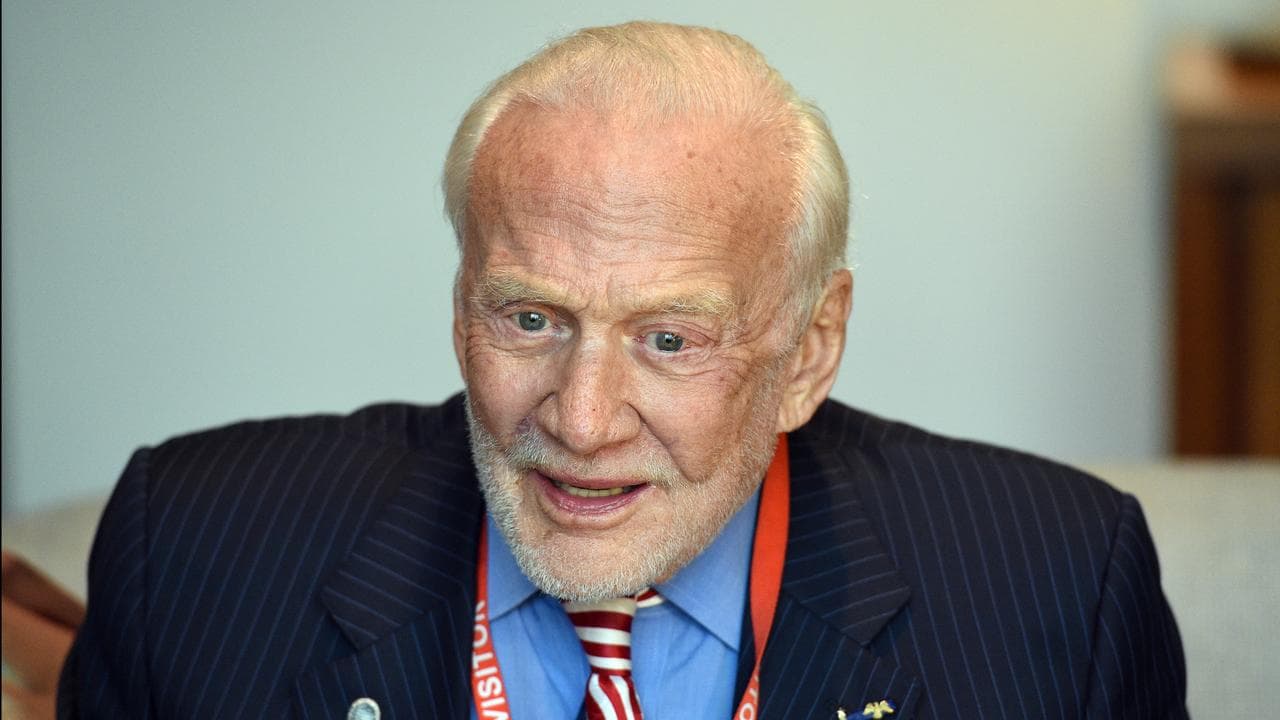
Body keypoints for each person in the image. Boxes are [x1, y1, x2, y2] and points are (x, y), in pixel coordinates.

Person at [25, 21, 1185, 719]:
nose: (579, 422)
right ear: (460, 302)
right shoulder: (186, 552)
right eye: (529, 319)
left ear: (807, 351)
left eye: (669, 339)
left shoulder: (1055, 591)